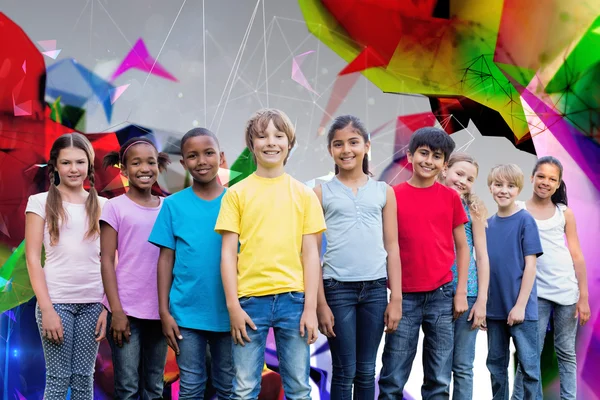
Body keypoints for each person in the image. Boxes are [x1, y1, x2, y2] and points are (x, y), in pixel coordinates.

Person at [215, 109, 326, 400]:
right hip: (250, 302)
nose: (271, 142)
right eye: (262, 136)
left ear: (289, 143)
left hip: (294, 301)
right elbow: (228, 254)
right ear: (252, 145)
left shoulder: (304, 194)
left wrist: (311, 308)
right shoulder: (236, 194)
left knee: (299, 389)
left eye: (279, 135)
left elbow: (311, 255)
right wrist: (233, 307)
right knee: (244, 389)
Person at [378, 127, 470, 400]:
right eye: (424, 153)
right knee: (393, 376)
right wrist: (394, 297)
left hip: (442, 295)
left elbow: (463, 247)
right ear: (410, 155)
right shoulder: (393, 195)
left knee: (439, 379)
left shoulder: (450, 197)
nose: (429, 161)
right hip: (404, 297)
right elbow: (388, 246)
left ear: (444, 164)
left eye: (437, 156)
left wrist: (461, 292)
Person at [314, 115, 402, 400]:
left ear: (366, 146)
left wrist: (396, 298)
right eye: (338, 144)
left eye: (353, 142)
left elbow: (392, 245)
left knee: (366, 370)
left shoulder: (383, 191)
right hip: (337, 289)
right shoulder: (321, 192)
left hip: (375, 290)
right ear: (330, 150)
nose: (346, 150)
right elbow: (313, 254)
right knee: (343, 369)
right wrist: (320, 303)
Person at [149, 128, 234, 399]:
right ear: (184, 163)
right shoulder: (173, 206)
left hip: (230, 313)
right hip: (186, 314)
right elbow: (165, 260)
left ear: (220, 157)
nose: (202, 161)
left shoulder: (237, 202)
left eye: (209, 153)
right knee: (191, 386)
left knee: (227, 387)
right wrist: (164, 311)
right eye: (193, 156)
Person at [25, 132, 107, 399]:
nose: (74, 169)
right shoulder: (39, 202)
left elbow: (111, 260)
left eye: (80, 162)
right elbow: (32, 259)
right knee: (58, 380)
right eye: (67, 162)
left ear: (89, 165)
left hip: (93, 304)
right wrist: (47, 309)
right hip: (57, 302)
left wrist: (107, 306)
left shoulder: (104, 206)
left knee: (84, 380)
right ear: (55, 166)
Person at [512, 156, 590, 400]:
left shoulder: (564, 213)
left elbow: (576, 255)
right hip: (536, 293)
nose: (545, 182)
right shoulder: (518, 209)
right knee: (529, 353)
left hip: (566, 291)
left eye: (552, 179)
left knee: (566, 351)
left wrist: (583, 297)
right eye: (541, 176)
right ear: (532, 177)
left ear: (558, 185)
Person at [100, 137, 170, 399]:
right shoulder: (114, 207)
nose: (144, 168)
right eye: (136, 163)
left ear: (158, 167)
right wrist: (116, 312)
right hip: (125, 311)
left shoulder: (168, 207)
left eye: (150, 162)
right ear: (124, 170)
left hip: (160, 310)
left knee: (154, 387)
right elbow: (106, 259)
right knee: (127, 387)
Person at [485, 164, 543, 400]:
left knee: (529, 370)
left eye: (510, 186)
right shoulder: (488, 224)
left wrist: (519, 305)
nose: (504, 190)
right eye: (498, 185)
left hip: (522, 310)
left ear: (518, 189)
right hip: (494, 310)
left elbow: (530, 266)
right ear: (490, 187)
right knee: (496, 368)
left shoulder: (525, 221)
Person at [439, 152, 490, 400]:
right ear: (445, 169)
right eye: (459, 174)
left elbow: (481, 255)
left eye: (469, 179)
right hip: (436, 292)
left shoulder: (474, 208)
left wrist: (481, 300)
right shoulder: (432, 200)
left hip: (468, 292)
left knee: (462, 366)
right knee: (438, 366)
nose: (463, 181)